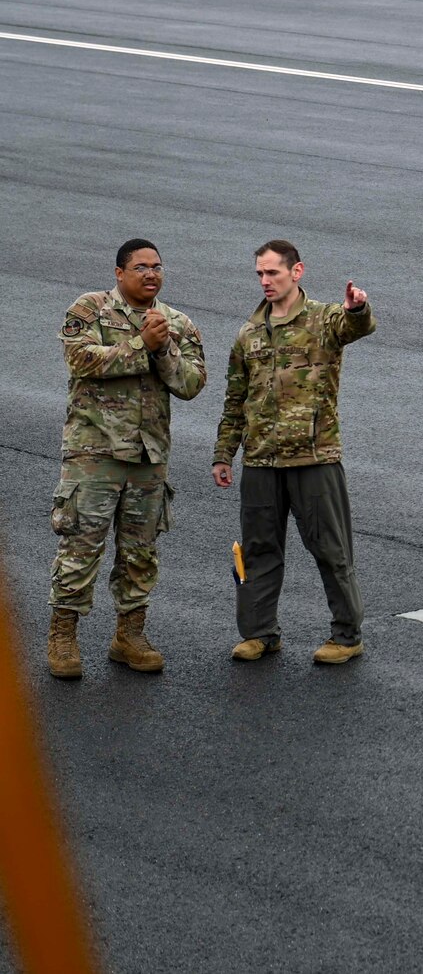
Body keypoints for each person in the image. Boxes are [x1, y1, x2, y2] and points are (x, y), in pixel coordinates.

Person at [47, 239, 207, 679]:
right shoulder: (91, 309)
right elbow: (79, 359)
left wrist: (162, 349)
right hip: (93, 453)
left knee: (141, 552)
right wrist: (140, 343)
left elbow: (192, 383)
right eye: (140, 267)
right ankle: (63, 636)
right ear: (119, 273)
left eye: (157, 267)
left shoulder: (176, 323)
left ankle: (129, 635)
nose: (151, 274)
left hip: (148, 456)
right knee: (80, 546)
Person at [212, 240, 376, 665]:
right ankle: (260, 633)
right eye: (260, 275)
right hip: (261, 461)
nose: (265, 281)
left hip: (314, 458)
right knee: (258, 549)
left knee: (330, 548)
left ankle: (346, 635)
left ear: (297, 271)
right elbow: (235, 400)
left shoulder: (324, 320)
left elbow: (356, 327)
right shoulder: (248, 334)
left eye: (274, 273)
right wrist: (223, 454)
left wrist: (357, 308)